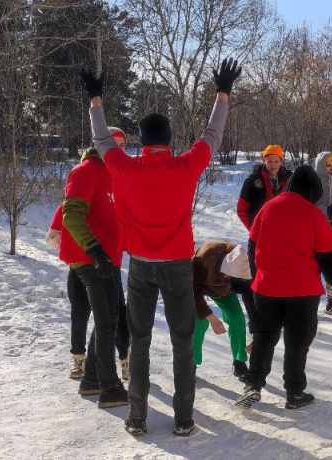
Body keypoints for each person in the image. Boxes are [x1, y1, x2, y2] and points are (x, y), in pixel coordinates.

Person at [81, 58, 242, 437]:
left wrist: (95, 100)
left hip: (140, 266)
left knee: (139, 342)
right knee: (183, 342)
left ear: (141, 141)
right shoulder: (185, 165)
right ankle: (184, 420)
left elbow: (102, 140)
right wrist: (222, 94)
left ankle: (137, 418)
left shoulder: (125, 167)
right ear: (169, 139)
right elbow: (212, 135)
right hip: (176, 267)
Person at [235, 165, 332, 410]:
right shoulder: (315, 216)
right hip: (302, 291)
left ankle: (253, 384)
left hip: (267, 287)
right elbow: (329, 258)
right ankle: (294, 393)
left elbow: (252, 246)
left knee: (264, 337)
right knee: (297, 341)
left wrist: (258, 277)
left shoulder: (267, 208)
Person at [53, 141, 128, 409]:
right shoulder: (86, 170)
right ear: (100, 145)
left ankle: (91, 379)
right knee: (107, 323)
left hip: (109, 259)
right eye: (113, 144)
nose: (118, 148)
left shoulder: (114, 175)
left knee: (109, 320)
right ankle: (109, 388)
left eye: (123, 144)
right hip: (92, 259)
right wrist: (95, 250)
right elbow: (71, 216)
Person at [191, 241, 257, 383]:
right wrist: (211, 317)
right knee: (199, 321)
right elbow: (193, 292)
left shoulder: (244, 263)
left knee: (236, 316)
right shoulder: (205, 258)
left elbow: (250, 300)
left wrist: (256, 331)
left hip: (224, 290)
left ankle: (239, 361)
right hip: (199, 285)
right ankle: (191, 363)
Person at [238, 144, 291, 276]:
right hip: (259, 238)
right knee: (259, 274)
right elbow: (241, 209)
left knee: (281, 273)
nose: (273, 165)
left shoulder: (290, 180)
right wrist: (253, 229)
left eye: (276, 161)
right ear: (263, 161)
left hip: (283, 236)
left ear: (281, 161)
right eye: (269, 161)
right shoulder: (252, 181)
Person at [314, 153, 332, 316]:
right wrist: (326, 210)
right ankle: (311, 299)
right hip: (315, 229)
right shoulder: (313, 181)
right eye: (327, 165)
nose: (331, 169)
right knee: (314, 266)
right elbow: (308, 206)